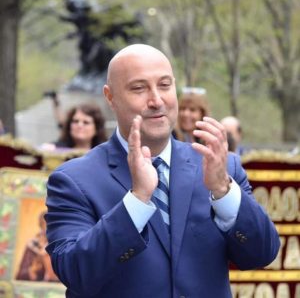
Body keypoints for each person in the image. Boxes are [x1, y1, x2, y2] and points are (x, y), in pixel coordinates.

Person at [45, 44, 280, 297]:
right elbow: (75, 271)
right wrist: (137, 200)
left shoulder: (221, 167)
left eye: (165, 85)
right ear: (110, 97)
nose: (156, 100)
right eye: (139, 88)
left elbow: (262, 253)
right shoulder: (73, 180)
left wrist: (223, 191)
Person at [41, 102, 107, 151]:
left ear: (97, 128)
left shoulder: (104, 154)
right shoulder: (54, 149)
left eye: (86, 122)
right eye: (75, 121)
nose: (80, 125)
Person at [16, 211, 58, 282]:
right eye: (46, 224)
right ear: (41, 225)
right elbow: (22, 273)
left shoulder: (61, 244)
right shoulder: (33, 244)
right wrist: (31, 272)